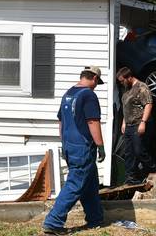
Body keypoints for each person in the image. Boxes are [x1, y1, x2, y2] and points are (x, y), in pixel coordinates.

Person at [43, 66, 106, 234]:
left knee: (90, 182)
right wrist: (100, 145)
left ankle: (95, 218)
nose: (96, 86)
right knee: (75, 183)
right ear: (93, 78)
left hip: (70, 145)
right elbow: (92, 122)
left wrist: (64, 144)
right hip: (83, 146)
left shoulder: (68, 94)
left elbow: (61, 122)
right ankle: (53, 222)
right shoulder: (88, 95)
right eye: (97, 82)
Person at [116, 66, 152, 185]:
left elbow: (148, 104)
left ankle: (151, 168)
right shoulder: (127, 90)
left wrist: (143, 122)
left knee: (139, 150)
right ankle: (130, 177)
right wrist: (124, 122)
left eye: (122, 80)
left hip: (138, 123)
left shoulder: (141, 87)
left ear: (129, 77)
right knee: (128, 153)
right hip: (128, 125)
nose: (121, 83)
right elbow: (126, 107)